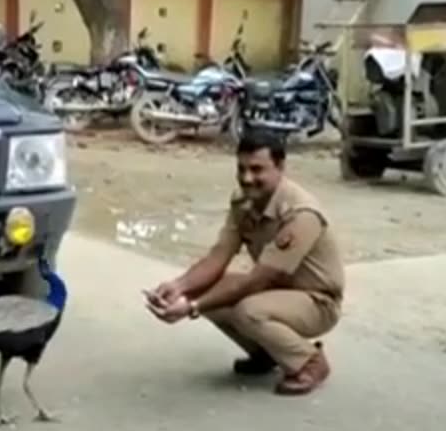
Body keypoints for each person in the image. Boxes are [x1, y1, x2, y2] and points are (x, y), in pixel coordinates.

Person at [145, 131, 345, 395]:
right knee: (205, 289)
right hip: (278, 291)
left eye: (257, 169)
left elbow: (260, 279)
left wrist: (192, 308)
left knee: (248, 310)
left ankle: (309, 361)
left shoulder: (301, 213)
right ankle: (268, 353)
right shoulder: (244, 201)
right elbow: (218, 256)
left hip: (318, 301)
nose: (247, 178)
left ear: (281, 167)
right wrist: (179, 287)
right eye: (241, 169)